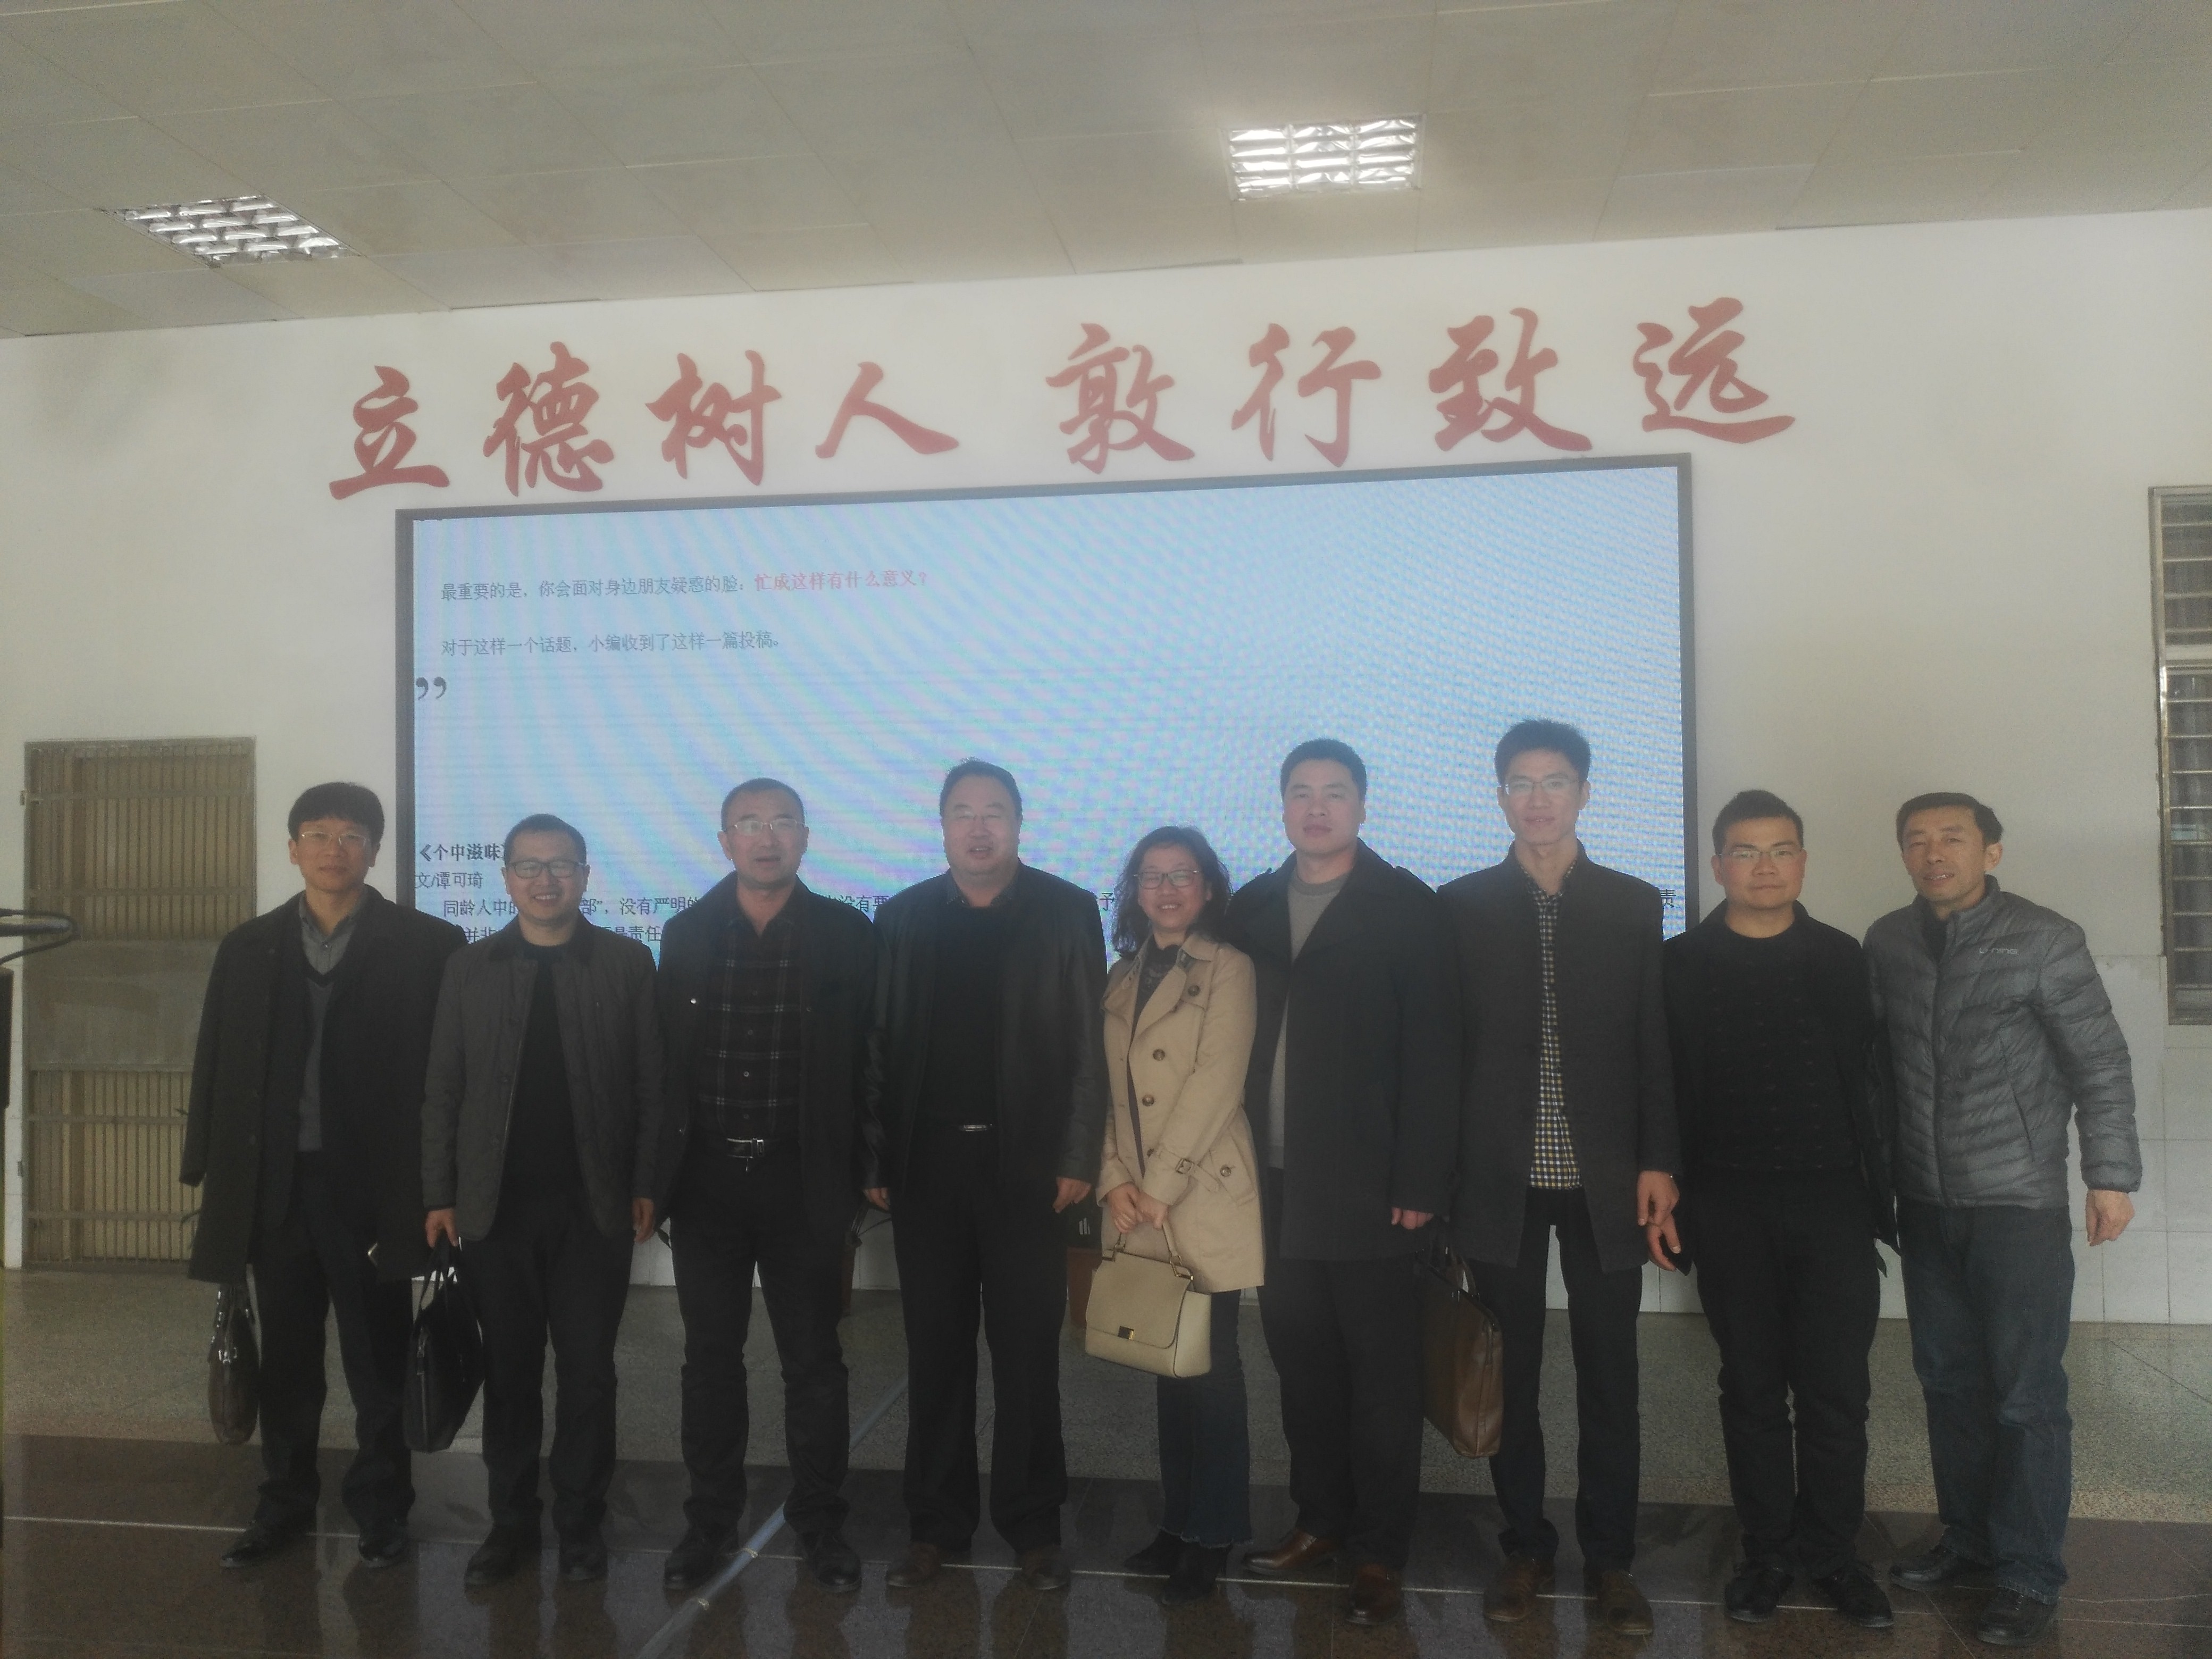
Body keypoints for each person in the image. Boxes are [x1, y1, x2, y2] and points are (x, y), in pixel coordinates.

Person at [1867, 793, 2141, 1649]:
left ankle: (2028, 1572)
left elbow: (2099, 1060)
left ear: (1991, 851)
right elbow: (1875, 1067)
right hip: (1925, 1201)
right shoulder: (1888, 942)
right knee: (1948, 1382)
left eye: (1952, 837)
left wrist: (2110, 1177)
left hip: (2018, 1202)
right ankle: (1970, 1540)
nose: (1933, 853)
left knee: (2026, 1396)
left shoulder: (2043, 938)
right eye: (1917, 840)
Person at [182, 782, 465, 1570]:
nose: (333, 849)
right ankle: (284, 1504)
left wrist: (442, 1186)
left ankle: (383, 1509)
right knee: (289, 1361)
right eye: (317, 834)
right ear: (292, 848)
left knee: (379, 1360)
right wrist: (207, 1170)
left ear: (374, 850)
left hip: (377, 1192)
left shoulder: (429, 943)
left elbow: (451, 1075)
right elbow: (215, 1060)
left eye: (351, 836)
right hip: (276, 1188)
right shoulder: (249, 946)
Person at [1442, 719, 1679, 1638]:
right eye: (1520, 782)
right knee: (1510, 1374)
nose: (1537, 799)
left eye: (1554, 782)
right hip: (1497, 1178)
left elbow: (1654, 1042)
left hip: (1607, 1181)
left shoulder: (1631, 903)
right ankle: (1527, 1547)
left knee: (1611, 1375)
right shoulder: (1460, 905)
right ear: (1500, 796)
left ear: (1585, 792)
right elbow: (1445, 1054)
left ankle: (1611, 1558)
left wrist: (1660, 1159)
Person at [1224, 739, 1459, 1628]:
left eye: (1334, 792)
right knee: (1303, 1369)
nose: (1316, 808)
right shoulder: (1250, 906)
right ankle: (1319, 1521)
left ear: (1362, 805)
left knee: (1383, 1381)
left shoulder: (1407, 906)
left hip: (1372, 1187)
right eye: (1301, 792)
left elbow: (1437, 1053)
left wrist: (1422, 1178)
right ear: (1282, 805)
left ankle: (1378, 1550)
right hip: (1271, 1184)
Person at [862, 759, 1110, 1592]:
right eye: (963, 812)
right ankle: (935, 1526)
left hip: (1027, 1169)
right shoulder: (902, 917)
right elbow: (877, 1045)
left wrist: (1077, 1155)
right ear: (941, 825)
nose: (979, 827)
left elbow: (1088, 1046)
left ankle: (1034, 1529)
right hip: (927, 1169)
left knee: (1028, 1356)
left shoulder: (1067, 911)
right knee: (935, 1353)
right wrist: (876, 1157)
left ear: (1018, 822)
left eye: (994, 811)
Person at [1655, 790, 1897, 1629]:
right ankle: (1767, 1553)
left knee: (1837, 1394)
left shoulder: (1841, 957)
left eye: (1781, 850)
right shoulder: (1679, 963)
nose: (1765, 867)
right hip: (1727, 1204)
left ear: (1803, 862)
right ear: (1718, 865)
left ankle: (1832, 1554)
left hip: (1833, 1204)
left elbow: (1876, 1082)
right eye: (1746, 852)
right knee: (1752, 1390)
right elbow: (1660, 1088)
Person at [421, 814, 663, 1587]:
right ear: (507, 878)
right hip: (496, 1209)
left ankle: (582, 1521)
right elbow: (444, 1086)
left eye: (561, 865)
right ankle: (511, 1521)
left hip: (595, 1208)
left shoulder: (627, 963)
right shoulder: (471, 967)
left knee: (589, 1371)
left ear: (586, 875)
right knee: (511, 1370)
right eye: (529, 866)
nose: (545, 879)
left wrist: (648, 1184)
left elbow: (652, 1086)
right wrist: (439, 1191)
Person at [655, 780, 877, 1593]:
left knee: (814, 1361)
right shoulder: (685, 933)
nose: (767, 836)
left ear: (806, 838)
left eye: (783, 822)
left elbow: (872, 1061)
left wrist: (867, 1173)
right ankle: (709, 1520)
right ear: (725, 841)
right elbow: (664, 1066)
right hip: (707, 1183)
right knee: (709, 1360)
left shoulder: (848, 935)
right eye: (749, 823)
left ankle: (820, 1521)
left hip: (803, 1180)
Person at [1098, 827, 1262, 1606]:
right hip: (1139, 1196)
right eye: (1152, 876)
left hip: (1202, 1191)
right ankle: (1178, 1522)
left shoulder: (1230, 967)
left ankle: (1215, 1532)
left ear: (1208, 887)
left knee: (1211, 1371)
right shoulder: (1120, 976)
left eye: (1182, 875)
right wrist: (1112, 1181)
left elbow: (1216, 1082)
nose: (1166, 890)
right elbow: (1104, 1092)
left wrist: (1159, 1185)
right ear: (1134, 891)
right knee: (1168, 1366)